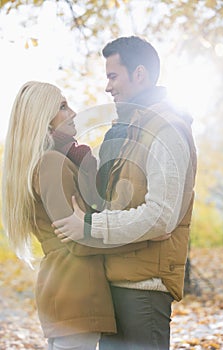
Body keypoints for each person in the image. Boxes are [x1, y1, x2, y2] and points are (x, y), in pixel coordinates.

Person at [52, 36, 197, 350]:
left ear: (140, 74)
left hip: (143, 293)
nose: (107, 87)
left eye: (113, 76)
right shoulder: (125, 130)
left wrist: (90, 227)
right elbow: (106, 198)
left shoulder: (166, 128)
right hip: (113, 285)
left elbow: (160, 216)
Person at [2, 81, 143, 350]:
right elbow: (77, 239)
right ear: (44, 119)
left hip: (68, 290)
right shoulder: (51, 163)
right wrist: (145, 237)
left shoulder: (53, 160)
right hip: (76, 292)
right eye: (63, 107)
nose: (74, 113)